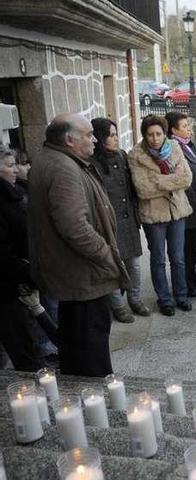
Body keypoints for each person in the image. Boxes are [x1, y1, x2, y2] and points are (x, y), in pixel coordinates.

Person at [28, 113, 128, 376]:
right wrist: (107, 255)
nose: (95, 139)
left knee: (77, 348)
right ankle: (96, 406)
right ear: (70, 140)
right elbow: (75, 228)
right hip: (83, 278)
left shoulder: (57, 160)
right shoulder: (63, 168)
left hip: (75, 278)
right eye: (88, 135)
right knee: (90, 355)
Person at [129, 114, 193, 316]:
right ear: (144, 135)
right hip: (153, 215)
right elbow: (143, 189)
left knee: (178, 257)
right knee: (158, 258)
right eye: (150, 134)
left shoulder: (174, 148)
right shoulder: (136, 155)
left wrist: (159, 181)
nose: (155, 138)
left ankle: (181, 296)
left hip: (177, 211)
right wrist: (172, 180)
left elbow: (187, 178)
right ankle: (164, 299)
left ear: (165, 134)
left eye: (158, 134)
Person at [91, 118, 151, 322]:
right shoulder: (92, 164)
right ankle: (117, 306)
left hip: (128, 220)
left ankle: (134, 299)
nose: (116, 138)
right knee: (113, 266)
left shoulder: (122, 156)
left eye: (116, 134)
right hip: (108, 222)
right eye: (111, 135)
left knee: (134, 264)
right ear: (100, 138)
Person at [0, 144, 45, 371]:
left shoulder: (14, 194)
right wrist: (29, 273)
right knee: (24, 346)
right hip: (9, 289)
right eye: (9, 166)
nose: (16, 170)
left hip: (20, 281)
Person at [166, 112, 196, 298]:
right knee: (186, 249)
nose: (189, 130)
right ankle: (188, 285)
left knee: (193, 246)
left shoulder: (189, 145)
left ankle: (192, 276)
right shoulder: (173, 149)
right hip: (188, 207)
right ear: (173, 130)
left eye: (188, 126)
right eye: (184, 126)